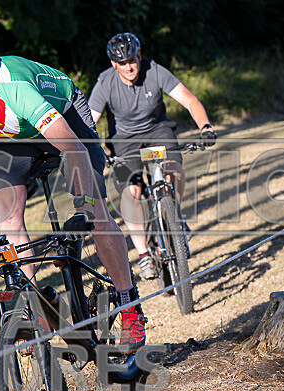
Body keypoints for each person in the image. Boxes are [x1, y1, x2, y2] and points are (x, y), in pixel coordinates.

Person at [0, 33, 147, 351]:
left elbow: (73, 148)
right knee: (5, 213)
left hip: (65, 117)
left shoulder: (15, 88)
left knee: (96, 211)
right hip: (16, 134)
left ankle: (130, 305)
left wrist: (85, 206)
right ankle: (38, 314)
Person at [88, 32, 217, 280]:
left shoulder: (155, 71)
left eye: (132, 60)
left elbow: (190, 100)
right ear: (114, 64)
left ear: (139, 55)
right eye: (122, 63)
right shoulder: (105, 83)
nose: (129, 67)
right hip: (124, 141)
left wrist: (206, 127)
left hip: (158, 131)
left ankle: (173, 215)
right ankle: (144, 254)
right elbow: (91, 121)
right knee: (132, 191)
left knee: (173, 170)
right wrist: (95, 149)